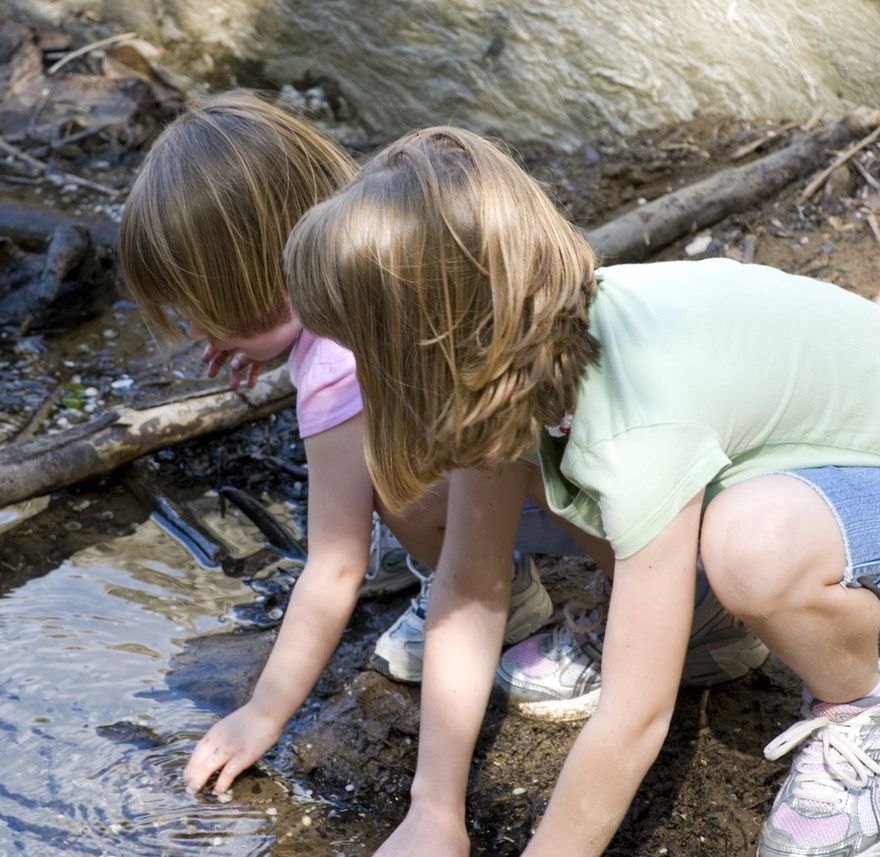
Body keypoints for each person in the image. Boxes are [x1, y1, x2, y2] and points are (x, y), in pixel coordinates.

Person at [283, 123, 880, 857]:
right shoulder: (511, 360)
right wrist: (433, 811)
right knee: (682, 519)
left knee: (753, 545)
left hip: (856, 474)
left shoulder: (636, 421)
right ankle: (705, 625)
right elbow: (470, 586)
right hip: (797, 463)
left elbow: (634, 717)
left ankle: (860, 702)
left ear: (427, 344)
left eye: (359, 350)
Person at [117, 92, 597, 797]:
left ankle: (500, 593)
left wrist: (263, 710)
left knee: (391, 480)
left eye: (198, 310)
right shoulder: (383, 246)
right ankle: (491, 574)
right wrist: (275, 343)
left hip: (575, 495)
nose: (194, 333)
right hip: (584, 460)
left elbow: (334, 565)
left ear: (254, 280)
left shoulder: (333, 367)